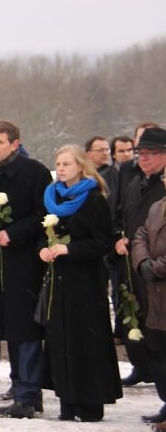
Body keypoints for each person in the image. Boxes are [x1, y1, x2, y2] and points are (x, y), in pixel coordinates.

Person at [37, 145, 122, 422]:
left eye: (67, 164)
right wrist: (45, 249)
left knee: (86, 342)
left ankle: (90, 402)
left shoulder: (94, 199)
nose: (60, 169)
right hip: (59, 283)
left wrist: (69, 250)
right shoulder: (52, 197)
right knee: (61, 339)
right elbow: (45, 233)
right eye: (58, 164)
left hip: (85, 283)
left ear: (81, 167)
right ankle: (67, 399)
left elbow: (102, 242)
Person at [0, 120, 53, 418]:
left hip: (25, 261)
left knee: (26, 329)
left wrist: (15, 233)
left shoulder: (33, 171)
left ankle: (29, 392)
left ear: (14, 143)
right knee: (11, 327)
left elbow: (44, 214)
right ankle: (22, 390)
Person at [132, 172, 166, 431]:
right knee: (159, 348)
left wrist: (156, 267)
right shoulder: (157, 207)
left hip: (160, 277)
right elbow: (141, 234)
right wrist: (142, 261)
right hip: (156, 294)